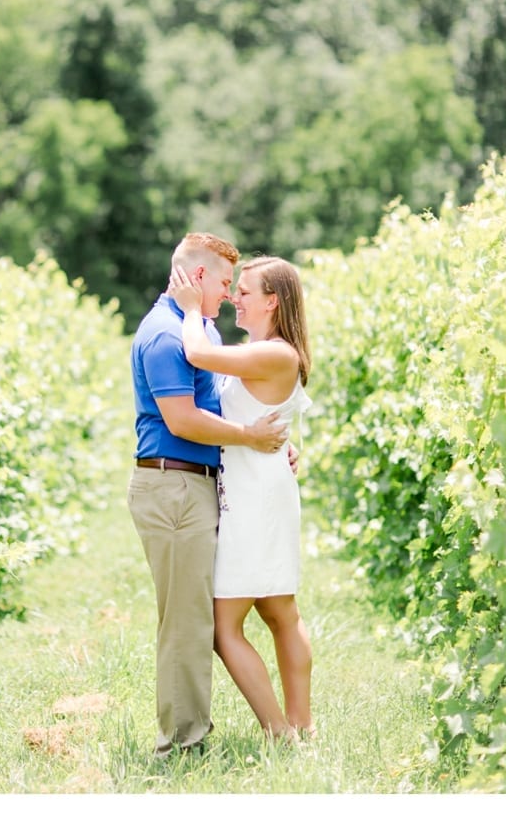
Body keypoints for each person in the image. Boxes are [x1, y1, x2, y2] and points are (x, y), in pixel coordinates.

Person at [126, 232, 290, 757]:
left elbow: (222, 406)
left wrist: (269, 447)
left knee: (196, 615)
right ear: (198, 278)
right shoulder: (166, 337)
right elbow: (183, 419)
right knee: (186, 620)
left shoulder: (199, 332)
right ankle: (180, 743)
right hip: (172, 486)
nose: (228, 294)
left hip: (195, 485)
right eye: (223, 283)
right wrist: (249, 438)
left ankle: (190, 732)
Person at [169, 256, 315, 742]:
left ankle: (283, 730)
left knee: (226, 626)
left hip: (256, 500)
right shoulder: (264, 352)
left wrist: (191, 309)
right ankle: (300, 726)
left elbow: (196, 354)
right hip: (258, 485)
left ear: (272, 301)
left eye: (246, 291)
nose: (235, 297)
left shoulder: (276, 353)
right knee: (278, 612)